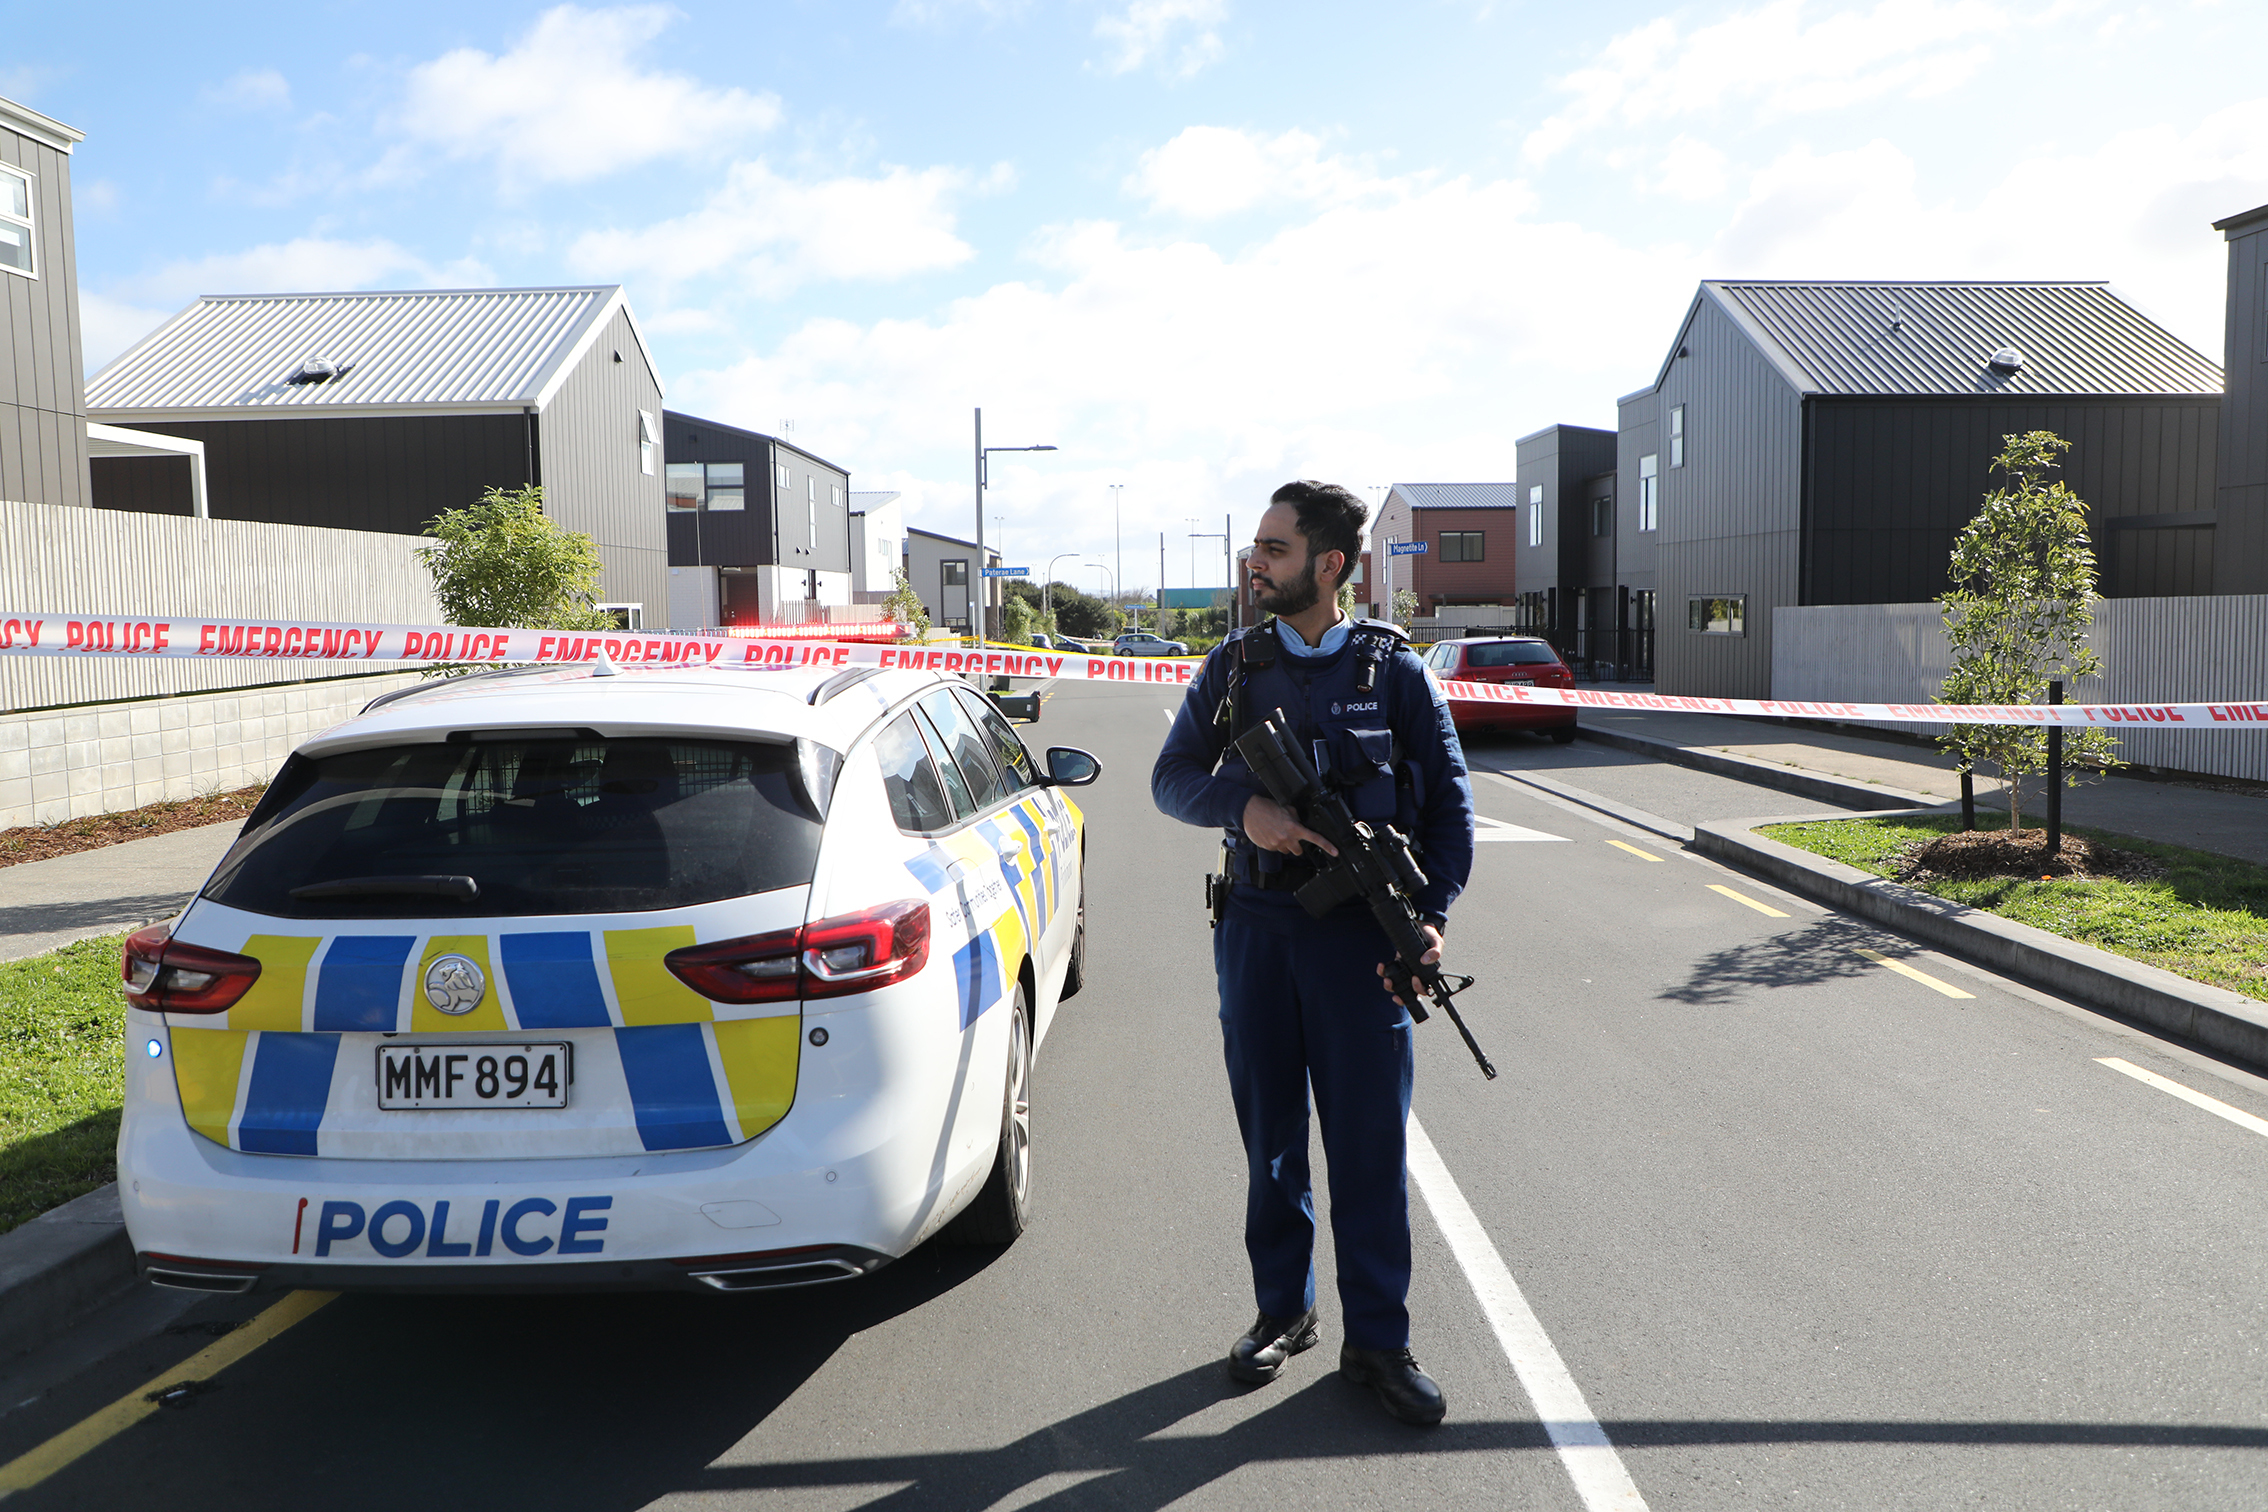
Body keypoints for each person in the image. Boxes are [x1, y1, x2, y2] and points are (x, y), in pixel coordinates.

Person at [1151, 480, 1475, 1426]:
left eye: (1275, 548)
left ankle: (1378, 1342)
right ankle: (1283, 1312)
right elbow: (1171, 778)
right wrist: (1243, 807)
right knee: (1272, 1143)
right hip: (1257, 929)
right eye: (1257, 547)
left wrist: (1430, 919)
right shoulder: (1233, 666)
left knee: (1369, 1149)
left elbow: (1450, 811)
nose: (1256, 562)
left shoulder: (1396, 672)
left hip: (1362, 945)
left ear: (1329, 565)